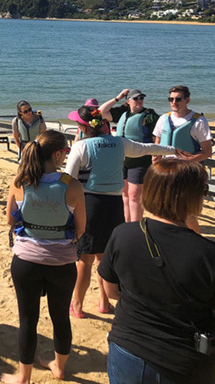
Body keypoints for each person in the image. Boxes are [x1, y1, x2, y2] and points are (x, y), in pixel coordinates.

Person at [99, 159, 215, 384]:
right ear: (192, 197)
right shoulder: (207, 253)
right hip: (182, 361)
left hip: (127, 350)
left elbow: (111, 290)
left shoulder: (123, 234)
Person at [65, 106, 184, 318]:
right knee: (104, 258)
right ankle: (103, 302)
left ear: (83, 127)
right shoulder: (120, 142)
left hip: (90, 204)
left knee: (85, 259)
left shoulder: (81, 146)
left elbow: (69, 179)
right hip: (114, 206)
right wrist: (173, 150)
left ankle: (77, 304)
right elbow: (146, 148)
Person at [2, 131, 86, 384]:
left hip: (26, 261)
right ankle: (59, 368)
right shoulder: (71, 185)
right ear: (58, 154)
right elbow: (80, 229)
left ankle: (23, 376)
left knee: (28, 319)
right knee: (60, 316)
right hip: (62, 262)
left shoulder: (20, 182)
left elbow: (9, 220)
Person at [153, 85, 212, 233]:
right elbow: (157, 144)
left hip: (188, 172)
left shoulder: (199, 121)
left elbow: (207, 152)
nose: (174, 102)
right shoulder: (163, 118)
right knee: (164, 210)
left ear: (187, 100)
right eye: (171, 99)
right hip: (166, 171)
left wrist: (186, 162)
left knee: (188, 214)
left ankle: (196, 242)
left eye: (178, 99)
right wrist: (155, 158)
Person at [99, 89, 159, 222]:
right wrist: (118, 97)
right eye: (136, 98)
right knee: (124, 194)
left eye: (141, 98)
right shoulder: (122, 113)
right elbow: (101, 112)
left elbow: (158, 137)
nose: (140, 101)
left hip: (141, 161)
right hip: (122, 160)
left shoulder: (150, 116)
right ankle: (128, 223)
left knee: (134, 196)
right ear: (128, 101)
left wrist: (156, 155)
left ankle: (135, 226)